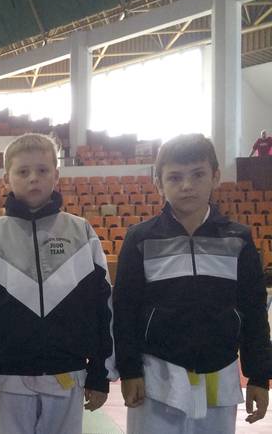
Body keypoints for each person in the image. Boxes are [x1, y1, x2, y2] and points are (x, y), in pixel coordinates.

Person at [0, 133, 116, 434]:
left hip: (69, 372)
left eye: (42, 170)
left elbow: (102, 307)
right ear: (6, 178)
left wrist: (100, 373)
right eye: (23, 171)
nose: (33, 178)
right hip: (10, 377)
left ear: (56, 175)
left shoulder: (81, 232)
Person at [114, 133, 272, 434]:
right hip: (156, 376)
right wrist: (129, 370)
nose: (187, 185)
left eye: (198, 175)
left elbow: (253, 311)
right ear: (159, 183)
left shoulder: (237, 239)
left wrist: (259, 376)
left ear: (215, 177)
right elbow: (125, 311)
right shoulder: (141, 239)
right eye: (175, 177)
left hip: (220, 374)